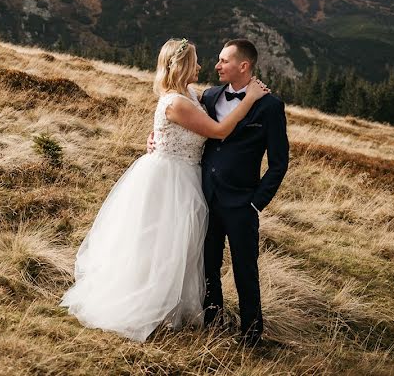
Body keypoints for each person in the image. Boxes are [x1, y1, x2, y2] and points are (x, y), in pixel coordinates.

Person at [60, 38, 269, 342]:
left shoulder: (193, 94)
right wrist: (249, 99)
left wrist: (158, 136)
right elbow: (218, 131)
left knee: (181, 247)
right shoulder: (177, 102)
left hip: (188, 177)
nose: (202, 66)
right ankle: (148, 305)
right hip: (169, 180)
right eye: (196, 61)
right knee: (160, 244)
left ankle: (178, 308)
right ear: (183, 65)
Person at [199, 39, 289, 345]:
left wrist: (256, 203)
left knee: (245, 270)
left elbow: (279, 163)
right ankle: (211, 319)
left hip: (242, 204)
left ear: (243, 66)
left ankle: (251, 334)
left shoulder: (270, 106)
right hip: (206, 197)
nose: (217, 65)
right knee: (207, 264)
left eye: (224, 61)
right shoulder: (209, 96)